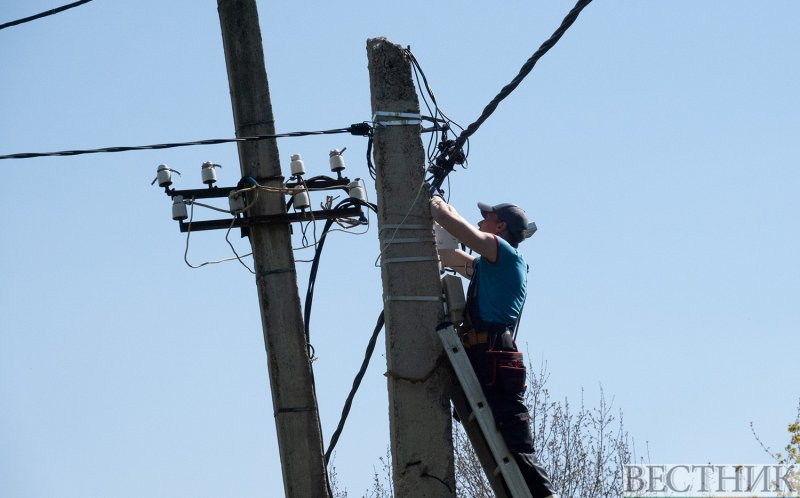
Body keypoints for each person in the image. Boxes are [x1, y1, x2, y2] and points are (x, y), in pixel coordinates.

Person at [430, 196, 557, 498]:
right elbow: (448, 254)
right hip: (484, 352)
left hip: (495, 352)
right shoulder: (489, 265)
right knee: (496, 434)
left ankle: (545, 495)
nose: (480, 222)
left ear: (500, 227)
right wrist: (440, 216)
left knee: (514, 439)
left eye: (486, 219)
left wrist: (434, 202)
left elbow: (456, 226)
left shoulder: (505, 253)